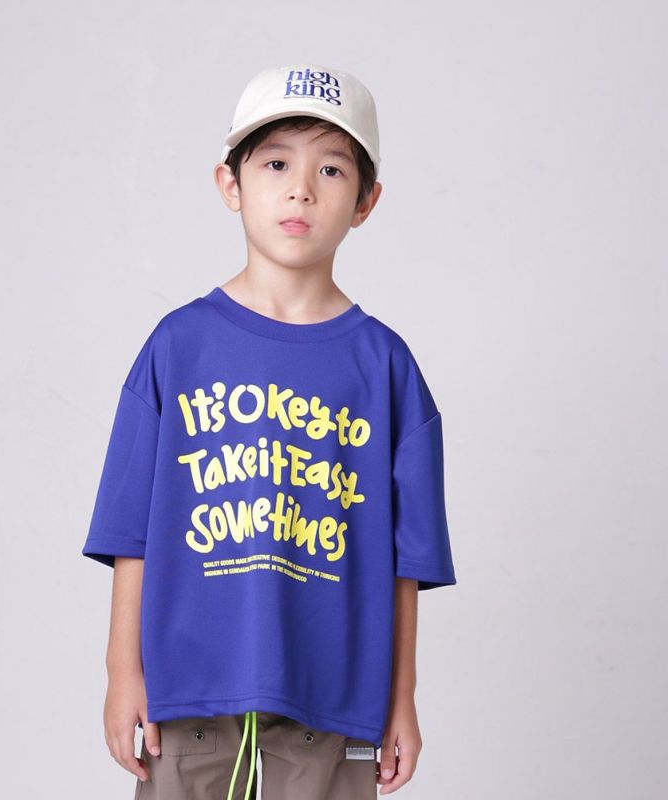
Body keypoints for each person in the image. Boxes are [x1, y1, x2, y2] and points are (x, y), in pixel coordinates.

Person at [82, 63, 457, 800]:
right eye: (276, 164)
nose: (301, 190)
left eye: (331, 170)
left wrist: (402, 697)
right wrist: (122, 672)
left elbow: (404, 560)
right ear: (231, 184)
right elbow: (132, 531)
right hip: (187, 697)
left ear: (366, 201)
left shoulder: (384, 366)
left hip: (332, 701)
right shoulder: (178, 346)